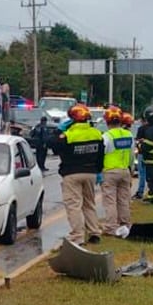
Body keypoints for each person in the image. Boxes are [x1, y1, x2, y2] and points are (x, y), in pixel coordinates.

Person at [52, 103, 104, 245]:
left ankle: (77, 236)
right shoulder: (96, 133)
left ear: (72, 119)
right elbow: (101, 155)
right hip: (91, 173)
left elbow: (55, 148)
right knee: (89, 204)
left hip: (71, 173)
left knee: (74, 206)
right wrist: (98, 171)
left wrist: (58, 132)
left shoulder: (68, 135)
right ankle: (94, 233)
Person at [100, 107, 134, 237]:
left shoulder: (106, 136)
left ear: (107, 121)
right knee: (124, 200)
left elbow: (102, 154)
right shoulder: (128, 135)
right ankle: (125, 224)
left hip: (110, 171)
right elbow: (132, 155)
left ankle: (111, 227)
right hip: (125, 170)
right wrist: (130, 169)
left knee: (110, 201)